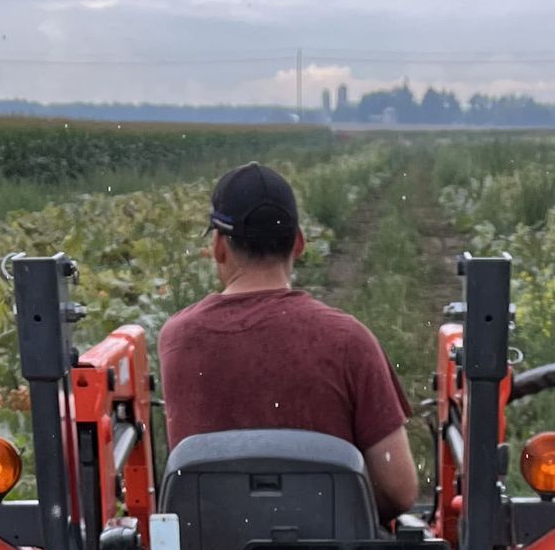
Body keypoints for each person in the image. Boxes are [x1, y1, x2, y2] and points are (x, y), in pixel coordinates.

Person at [157, 163, 422, 520]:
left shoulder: (177, 340)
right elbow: (398, 489)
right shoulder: (349, 340)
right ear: (298, 243)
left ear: (220, 247)